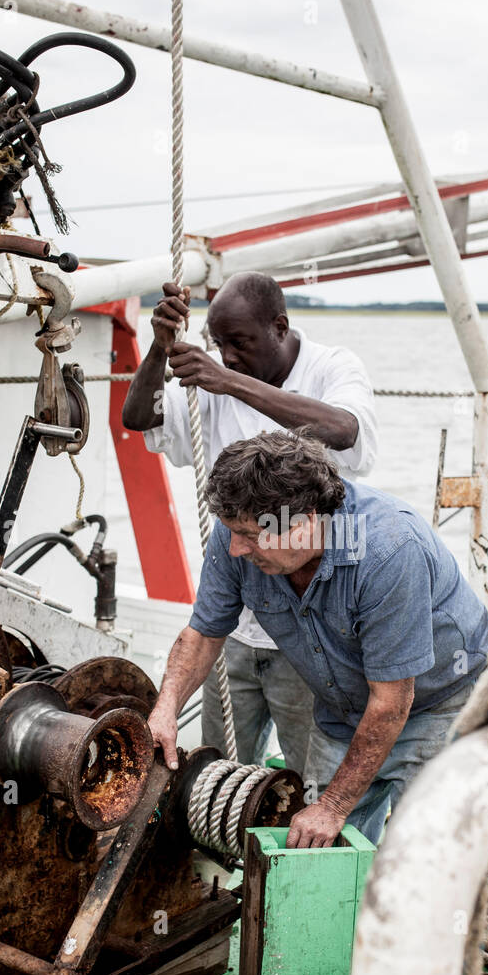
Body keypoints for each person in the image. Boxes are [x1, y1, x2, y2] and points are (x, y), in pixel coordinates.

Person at [147, 430, 488, 848]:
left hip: (439, 705)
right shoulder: (234, 534)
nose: (236, 548)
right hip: (343, 710)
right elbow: (202, 635)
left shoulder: (388, 551)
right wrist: (164, 712)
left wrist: (333, 806)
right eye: (232, 531)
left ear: (306, 521)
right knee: (318, 849)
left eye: (251, 535)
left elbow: (390, 702)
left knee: (419, 851)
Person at [122, 272, 377, 777]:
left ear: (279, 327)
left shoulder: (332, 366)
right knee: (218, 772)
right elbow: (137, 418)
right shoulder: (213, 379)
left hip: (313, 631)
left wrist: (230, 382)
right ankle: (226, 850)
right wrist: (158, 349)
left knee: (312, 779)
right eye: (220, 345)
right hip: (236, 623)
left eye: (239, 343)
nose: (228, 355)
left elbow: (344, 431)